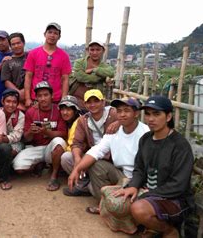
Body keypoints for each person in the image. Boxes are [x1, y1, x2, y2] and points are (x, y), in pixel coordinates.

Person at [111, 95, 194, 237]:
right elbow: (140, 168)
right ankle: (151, 227)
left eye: (156, 114)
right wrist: (133, 186)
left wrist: (147, 194)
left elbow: (179, 184)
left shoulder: (180, 145)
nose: (150, 119)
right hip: (150, 192)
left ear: (168, 117)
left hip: (174, 199)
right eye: (148, 114)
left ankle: (168, 231)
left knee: (138, 208)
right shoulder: (146, 139)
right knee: (116, 198)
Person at [67, 98, 149, 220]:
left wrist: (140, 184)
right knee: (96, 164)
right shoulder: (113, 131)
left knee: (134, 209)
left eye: (127, 111)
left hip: (140, 179)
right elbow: (96, 151)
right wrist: (77, 169)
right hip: (121, 175)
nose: (122, 114)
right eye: (119, 111)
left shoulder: (145, 133)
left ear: (136, 113)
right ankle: (104, 205)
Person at [61, 89, 118, 197]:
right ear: (85, 104)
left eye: (96, 101)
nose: (93, 105)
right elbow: (76, 143)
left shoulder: (113, 114)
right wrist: (77, 159)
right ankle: (84, 185)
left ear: (103, 102)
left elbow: (129, 118)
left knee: (96, 164)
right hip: (93, 156)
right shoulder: (83, 120)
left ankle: (94, 187)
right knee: (66, 157)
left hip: (111, 159)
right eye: (89, 102)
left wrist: (119, 122)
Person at [13, 81, 67, 191]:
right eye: (39, 96)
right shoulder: (31, 111)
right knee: (18, 167)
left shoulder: (58, 110)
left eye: (46, 95)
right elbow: (26, 138)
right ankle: (40, 163)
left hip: (52, 148)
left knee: (59, 141)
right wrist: (31, 132)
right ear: (36, 98)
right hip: (36, 147)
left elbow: (63, 133)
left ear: (52, 96)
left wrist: (47, 132)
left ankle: (54, 175)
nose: (43, 98)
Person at [23, 22, 72, 107]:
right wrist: (27, 98)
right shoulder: (33, 53)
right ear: (44, 34)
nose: (52, 35)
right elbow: (28, 76)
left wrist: (63, 100)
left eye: (55, 33)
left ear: (59, 37)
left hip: (55, 100)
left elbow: (65, 79)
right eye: (50, 32)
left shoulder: (64, 56)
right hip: (36, 99)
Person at [69, 40, 115, 108]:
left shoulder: (105, 66)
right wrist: (101, 77)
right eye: (92, 50)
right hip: (76, 101)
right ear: (88, 50)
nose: (95, 52)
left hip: (94, 105)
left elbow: (111, 72)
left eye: (98, 50)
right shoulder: (79, 62)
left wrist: (94, 70)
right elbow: (80, 77)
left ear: (103, 51)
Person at [1, 32, 27, 110]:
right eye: (13, 44)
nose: (16, 46)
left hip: (31, 95)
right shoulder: (7, 61)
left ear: (23, 43)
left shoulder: (31, 57)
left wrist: (26, 91)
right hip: (14, 99)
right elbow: (6, 81)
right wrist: (18, 93)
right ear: (10, 46)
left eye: (18, 43)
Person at [0, 89, 25, 157]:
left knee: (9, 152)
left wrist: (3, 139)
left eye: (14, 102)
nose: (11, 105)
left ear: (17, 104)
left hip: (15, 142)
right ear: (2, 101)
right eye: (8, 101)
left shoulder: (21, 116)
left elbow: (16, 136)